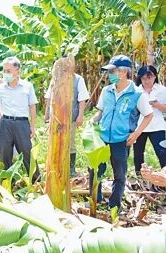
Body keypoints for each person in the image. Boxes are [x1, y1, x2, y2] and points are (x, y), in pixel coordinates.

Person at [89, 54, 153, 223]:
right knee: (95, 170)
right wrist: (93, 120)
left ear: (123, 73)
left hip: (121, 140)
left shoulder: (137, 94)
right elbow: (101, 111)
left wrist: (136, 134)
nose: (109, 74)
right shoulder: (106, 90)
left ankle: (114, 206)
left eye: (112, 71)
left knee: (119, 174)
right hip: (102, 138)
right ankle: (95, 199)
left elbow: (148, 115)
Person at [0, 56, 40, 182]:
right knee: (5, 154)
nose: (5, 73)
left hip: (22, 123)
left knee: (27, 152)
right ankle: (8, 183)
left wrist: (32, 126)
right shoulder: (0, 87)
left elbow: (32, 106)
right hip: (5, 123)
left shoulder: (27, 86)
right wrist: (1, 115)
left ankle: (36, 181)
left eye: (9, 71)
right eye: (4, 70)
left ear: (17, 71)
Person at [44, 62, 90, 176]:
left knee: (70, 142)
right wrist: (47, 114)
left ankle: (71, 168)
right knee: (55, 141)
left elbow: (82, 99)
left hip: (71, 117)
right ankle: (56, 166)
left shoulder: (78, 79)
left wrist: (80, 115)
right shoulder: (55, 78)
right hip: (56, 117)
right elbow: (49, 98)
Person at [133, 65, 166, 174]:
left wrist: (158, 105)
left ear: (155, 76)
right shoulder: (136, 91)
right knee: (138, 153)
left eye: (149, 77)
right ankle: (139, 176)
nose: (146, 81)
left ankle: (164, 176)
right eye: (143, 78)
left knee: (162, 152)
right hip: (140, 126)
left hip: (157, 126)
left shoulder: (162, 90)